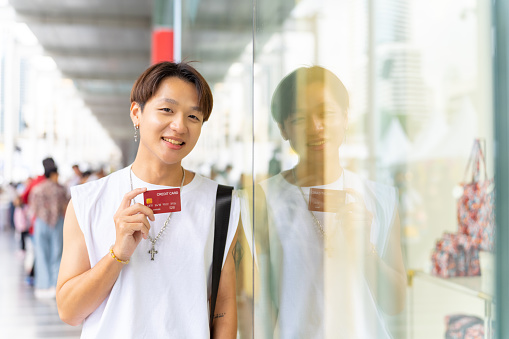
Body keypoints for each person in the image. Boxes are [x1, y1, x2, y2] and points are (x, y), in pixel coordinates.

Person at [56, 61, 240, 338]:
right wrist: (118, 253)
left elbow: (223, 305)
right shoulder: (89, 200)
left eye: (193, 116)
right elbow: (69, 312)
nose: (179, 126)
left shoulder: (221, 203)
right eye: (167, 109)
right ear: (136, 113)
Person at [251, 66, 406, 338]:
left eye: (326, 113)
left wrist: (365, 249)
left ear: (346, 117)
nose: (315, 127)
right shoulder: (263, 200)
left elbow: (395, 304)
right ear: (283, 128)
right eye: (299, 118)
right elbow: (257, 302)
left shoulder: (380, 198)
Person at [29, 159, 68, 299]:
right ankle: (55, 284)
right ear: (54, 174)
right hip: (57, 223)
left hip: (40, 223)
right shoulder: (61, 189)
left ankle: (42, 286)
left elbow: (32, 208)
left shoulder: (37, 189)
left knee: (41, 254)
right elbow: (66, 206)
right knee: (57, 254)